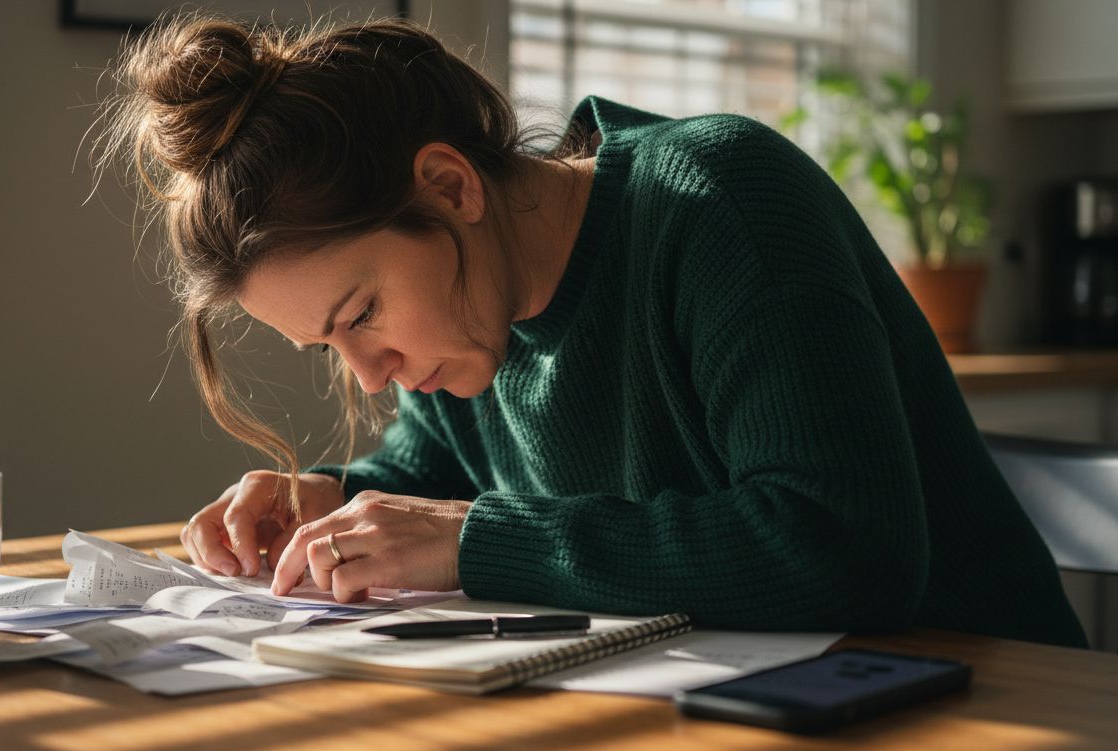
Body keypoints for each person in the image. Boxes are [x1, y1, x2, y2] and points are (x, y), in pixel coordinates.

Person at [96, 13, 1087, 647]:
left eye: (363, 316)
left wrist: (475, 544)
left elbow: (843, 548)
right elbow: (433, 483)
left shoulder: (718, 202)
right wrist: (333, 499)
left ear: (450, 185)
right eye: (330, 344)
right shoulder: (474, 334)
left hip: (987, 708)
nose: (370, 376)